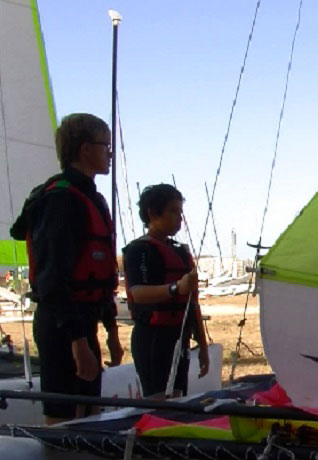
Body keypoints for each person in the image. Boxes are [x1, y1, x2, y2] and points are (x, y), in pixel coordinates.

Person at [9, 113, 123, 424]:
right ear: (86, 149)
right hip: (61, 325)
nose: (110, 154)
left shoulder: (90, 197)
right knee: (63, 418)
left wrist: (111, 331)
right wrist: (77, 341)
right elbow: (52, 279)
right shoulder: (61, 200)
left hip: (85, 321)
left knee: (90, 412)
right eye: (106, 147)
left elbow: (101, 278)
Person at [123, 184, 209, 399]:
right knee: (159, 399)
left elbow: (192, 301)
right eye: (173, 211)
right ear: (152, 213)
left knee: (179, 397)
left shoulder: (179, 251)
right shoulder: (139, 250)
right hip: (153, 338)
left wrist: (203, 344)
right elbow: (137, 293)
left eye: (180, 212)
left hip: (179, 337)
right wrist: (175, 288)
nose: (180, 218)